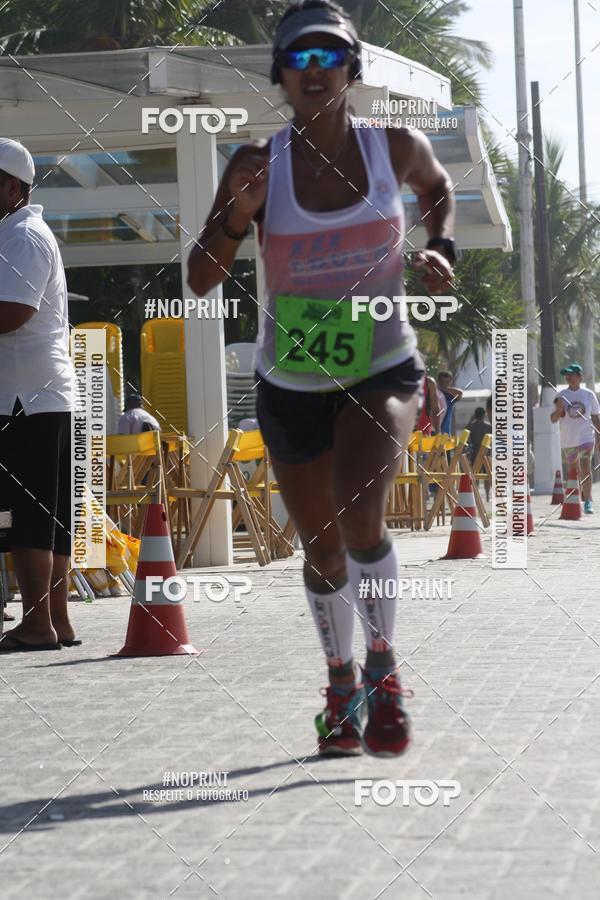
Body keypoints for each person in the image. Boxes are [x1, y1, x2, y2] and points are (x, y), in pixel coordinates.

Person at [187, 0, 455, 757]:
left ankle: (383, 670)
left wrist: (443, 249)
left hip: (382, 369)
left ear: (350, 70)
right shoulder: (256, 165)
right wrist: (237, 216)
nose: (314, 70)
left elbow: (437, 189)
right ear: (280, 75)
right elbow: (200, 279)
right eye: (298, 58)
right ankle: (340, 682)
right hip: (292, 384)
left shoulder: (394, 147)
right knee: (324, 549)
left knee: (362, 519)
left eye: (328, 56)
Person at [0, 138, 78, 651]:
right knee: (48, 515)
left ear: (12, 189)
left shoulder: (21, 236)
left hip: (23, 396)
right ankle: (55, 621)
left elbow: (13, 313)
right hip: (39, 395)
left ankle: (36, 624)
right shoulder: (18, 232)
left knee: (28, 515)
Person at [550, 363, 600, 513]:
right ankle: (578, 498)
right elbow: (553, 419)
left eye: (571, 374)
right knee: (574, 470)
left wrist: (599, 436)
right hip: (569, 440)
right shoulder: (560, 395)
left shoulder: (589, 394)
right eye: (566, 374)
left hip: (586, 438)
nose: (568, 377)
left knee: (585, 466)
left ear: (579, 377)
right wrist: (559, 410)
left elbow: (595, 418)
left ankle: (588, 500)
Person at [467, 407, 492, 499]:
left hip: (475, 454)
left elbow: (466, 434)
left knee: (475, 475)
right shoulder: (488, 426)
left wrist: (471, 419)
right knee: (487, 476)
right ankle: (487, 495)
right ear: (484, 415)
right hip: (486, 454)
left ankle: (476, 494)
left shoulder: (471, 426)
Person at [437, 370, 462, 435]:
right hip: (433, 433)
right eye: (442, 382)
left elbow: (460, 393)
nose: (444, 384)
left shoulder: (450, 396)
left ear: (451, 382)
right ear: (438, 382)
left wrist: (443, 388)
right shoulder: (434, 394)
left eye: (447, 382)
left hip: (445, 434)